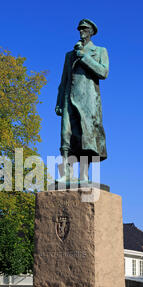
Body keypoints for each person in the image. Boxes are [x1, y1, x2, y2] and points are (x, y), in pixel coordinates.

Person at [55, 19, 109, 183]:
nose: (81, 32)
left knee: (86, 137)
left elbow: (103, 72)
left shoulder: (99, 51)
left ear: (91, 31)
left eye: (85, 29)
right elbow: (64, 80)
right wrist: (59, 102)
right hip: (68, 99)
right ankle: (66, 175)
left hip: (88, 101)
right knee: (66, 136)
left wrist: (85, 58)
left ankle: (84, 175)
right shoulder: (69, 55)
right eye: (80, 29)